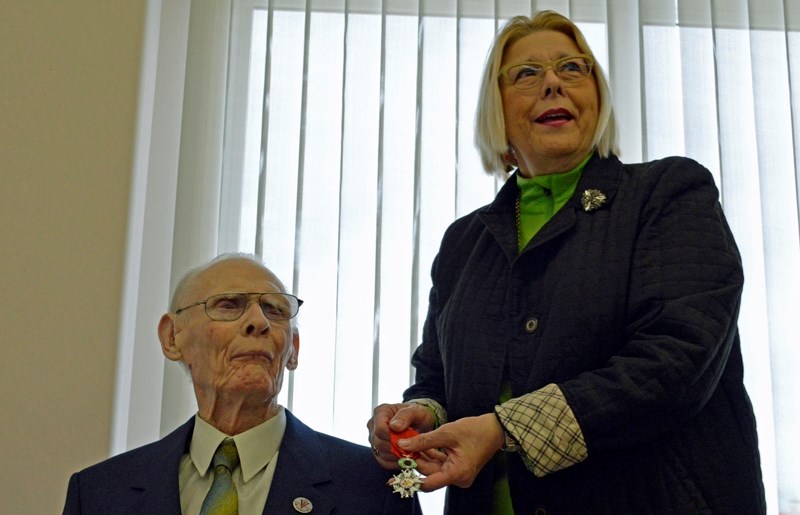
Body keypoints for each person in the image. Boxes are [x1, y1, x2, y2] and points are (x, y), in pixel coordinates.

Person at [368, 10, 766, 514]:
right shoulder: (464, 242)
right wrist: (420, 415)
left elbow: (677, 360)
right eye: (527, 74)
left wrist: (504, 429)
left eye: (573, 68)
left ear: (596, 99)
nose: (553, 82)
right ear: (497, 110)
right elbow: (436, 376)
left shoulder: (668, 193)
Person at [64, 254, 419, 515]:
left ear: (292, 350)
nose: (258, 322)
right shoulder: (98, 494)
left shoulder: (377, 488)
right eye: (228, 305)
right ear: (172, 337)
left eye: (275, 310)